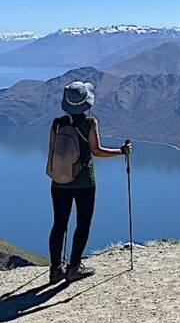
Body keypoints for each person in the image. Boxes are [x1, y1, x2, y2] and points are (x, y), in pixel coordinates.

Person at [47, 80, 131, 283]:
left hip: (59, 182)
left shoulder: (58, 123)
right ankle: (74, 267)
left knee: (59, 224)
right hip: (84, 182)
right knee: (82, 223)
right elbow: (96, 151)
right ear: (87, 103)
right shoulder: (90, 123)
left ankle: (56, 269)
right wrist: (121, 151)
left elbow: (52, 153)